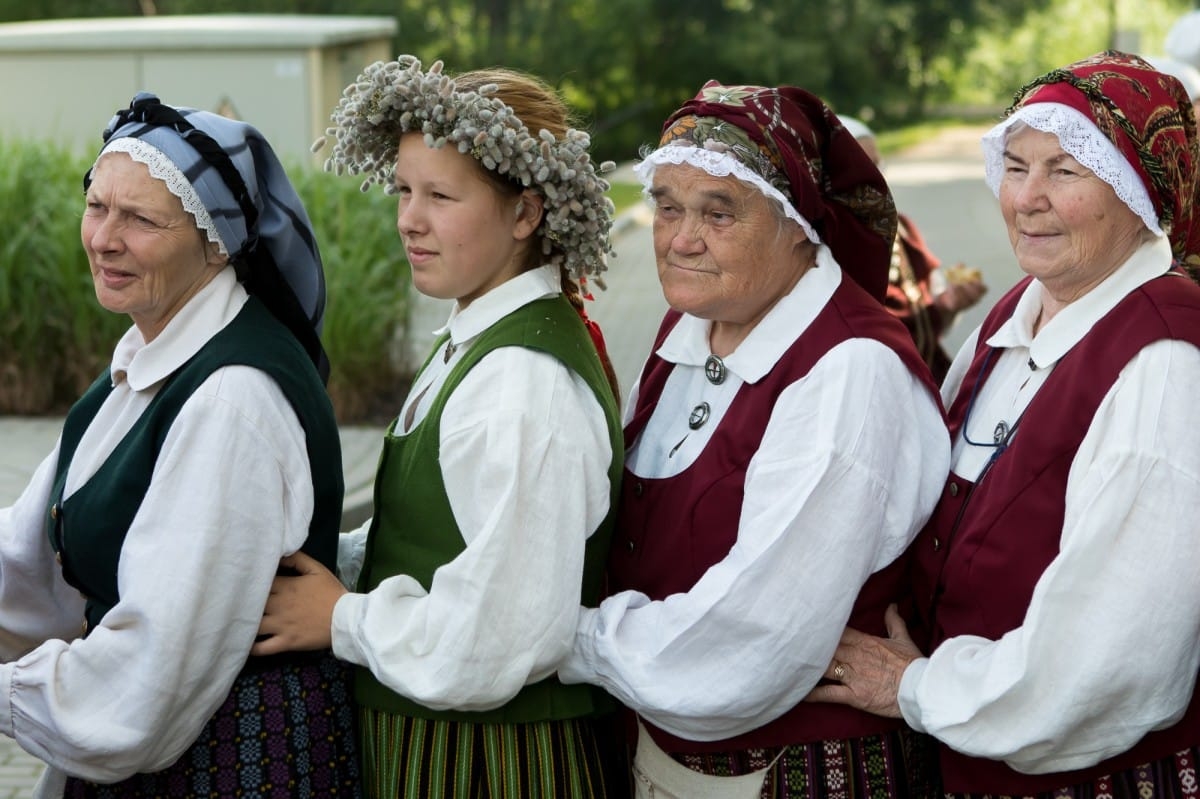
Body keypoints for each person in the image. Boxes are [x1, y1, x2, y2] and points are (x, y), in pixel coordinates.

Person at [808, 51, 1200, 798]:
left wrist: (918, 687)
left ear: (1136, 192)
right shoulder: (1015, 315)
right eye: (1016, 166)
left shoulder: (1164, 361)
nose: (1026, 198)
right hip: (979, 763)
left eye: (1065, 171)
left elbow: (1111, 656)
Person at [555, 81, 951, 798]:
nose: (680, 238)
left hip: (802, 772)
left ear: (799, 224)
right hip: (669, 753)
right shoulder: (692, 324)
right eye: (667, 206)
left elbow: (752, 633)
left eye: (718, 212)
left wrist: (556, 636)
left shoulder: (848, 370)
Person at [251, 56, 627, 798]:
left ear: (527, 213)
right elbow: (436, 538)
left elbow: (502, 632)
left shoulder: (524, 383)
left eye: (441, 196)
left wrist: (344, 617)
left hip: (493, 761)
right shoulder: (476, 337)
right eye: (402, 189)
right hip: (436, 735)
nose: (408, 220)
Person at [0, 92, 360, 797]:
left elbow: (151, 670)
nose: (104, 237)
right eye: (97, 205)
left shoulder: (233, 398)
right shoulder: (145, 363)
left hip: (231, 762)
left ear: (216, 239)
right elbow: (30, 561)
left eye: (139, 219)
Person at [841, 116, 987, 384]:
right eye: (860, 166)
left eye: (877, 163)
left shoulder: (901, 228)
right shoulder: (818, 249)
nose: (874, 176)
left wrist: (947, 305)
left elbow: (924, 324)